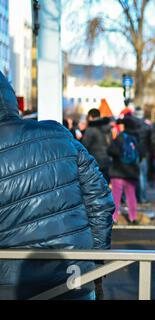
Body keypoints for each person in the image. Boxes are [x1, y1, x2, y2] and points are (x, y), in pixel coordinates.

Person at [0, 71, 114, 300]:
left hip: (11, 284)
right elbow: (101, 202)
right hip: (74, 276)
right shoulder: (58, 134)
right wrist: (95, 261)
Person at [107, 115, 141, 225]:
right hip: (132, 172)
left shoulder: (120, 137)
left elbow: (111, 151)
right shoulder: (136, 138)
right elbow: (141, 154)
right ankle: (133, 217)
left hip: (118, 171)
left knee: (116, 196)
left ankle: (114, 218)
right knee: (131, 196)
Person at [128, 106, 152, 204]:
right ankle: (142, 197)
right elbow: (150, 140)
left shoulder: (130, 125)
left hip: (132, 153)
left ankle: (134, 197)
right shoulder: (146, 126)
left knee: (132, 176)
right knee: (143, 176)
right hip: (143, 153)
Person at [81, 108, 113, 183]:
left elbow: (84, 146)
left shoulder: (91, 129)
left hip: (96, 162)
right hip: (108, 160)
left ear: (90, 117)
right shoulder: (108, 127)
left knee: (98, 187)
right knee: (106, 185)